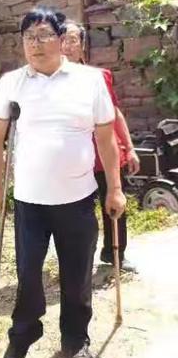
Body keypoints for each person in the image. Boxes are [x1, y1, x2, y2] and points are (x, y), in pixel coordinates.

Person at [0, 7, 126, 358]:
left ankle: (75, 338)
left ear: (62, 39)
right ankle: (24, 331)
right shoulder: (11, 84)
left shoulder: (88, 81)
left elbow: (107, 140)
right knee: (28, 273)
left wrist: (115, 189)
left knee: (77, 275)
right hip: (30, 201)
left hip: (78, 198)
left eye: (44, 35)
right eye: (28, 37)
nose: (35, 44)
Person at [62, 21, 139, 272]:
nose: (68, 45)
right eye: (62, 39)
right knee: (78, 214)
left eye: (73, 40)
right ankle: (80, 259)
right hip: (76, 159)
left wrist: (130, 146)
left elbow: (115, 113)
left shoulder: (100, 77)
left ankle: (115, 254)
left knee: (115, 205)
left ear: (82, 45)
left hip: (106, 155)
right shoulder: (52, 83)